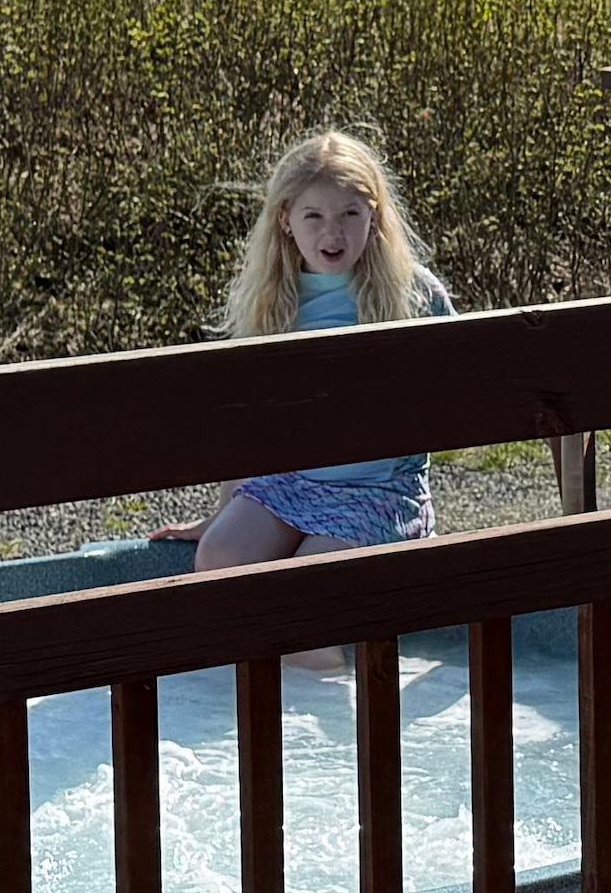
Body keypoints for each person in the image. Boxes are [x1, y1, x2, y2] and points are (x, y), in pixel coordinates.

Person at [164, 129, 452, 571]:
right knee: (221, 554)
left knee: (309, 578)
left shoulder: (413, 293)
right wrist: (223, 513)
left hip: (379, 492)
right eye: (313, 216)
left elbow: (473, 379)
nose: (331, 233)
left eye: (349, 214)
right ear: (285, 220)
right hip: (292, 483)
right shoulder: (273, 300)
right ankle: (292, 643)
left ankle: (312, 644)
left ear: (374, 216)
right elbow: (246, 425)